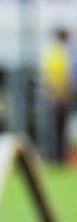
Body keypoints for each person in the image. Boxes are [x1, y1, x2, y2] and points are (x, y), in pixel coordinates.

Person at [41, 28, 73, 164]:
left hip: (57, 95)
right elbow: (55, 76)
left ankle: (58, 157)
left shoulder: (55, 51)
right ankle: (55, 157)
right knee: (56, 129)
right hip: (57, 96)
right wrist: (57, 95)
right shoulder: (58, 52)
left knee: (58, 128)